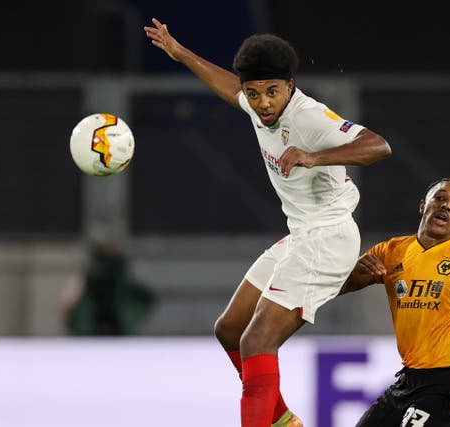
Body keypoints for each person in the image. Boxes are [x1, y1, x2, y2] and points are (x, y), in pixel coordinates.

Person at [144, 18, 392, 427]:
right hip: (300, 235)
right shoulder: (258, 103)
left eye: (272, 92)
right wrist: (181, 52)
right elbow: (230, 89)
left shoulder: (309, 117)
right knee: (229, 329)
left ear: (290, 85)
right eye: (254, 93)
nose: (263, 104)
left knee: (257, 340)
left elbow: (379, 146)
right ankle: (280, 420)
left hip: (327, 236)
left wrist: (315, 156)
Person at [340, 177, 450, 426]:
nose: (446, 206)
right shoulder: (392, 251)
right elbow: (338, 287)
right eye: (439, 198)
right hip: (407, 382)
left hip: (448, 386)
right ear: (423, 205)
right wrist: (350, 271)